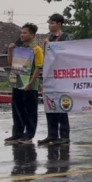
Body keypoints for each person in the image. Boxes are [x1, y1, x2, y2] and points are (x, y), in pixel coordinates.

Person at [5, 23, 45, 146]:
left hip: (30, 84)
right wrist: (10, 50)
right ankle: (17, 133)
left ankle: (28, 134)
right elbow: (11, 62)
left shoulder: (37, 49)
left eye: (24, 33)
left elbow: (39, 67)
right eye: (21, 33)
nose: (21, 35)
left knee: (30, 110)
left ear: (32, 35)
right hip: (18, 82)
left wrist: (31, 83)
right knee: (17, 109)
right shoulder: (20, 48)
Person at [37, 14, 71, 147]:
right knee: (49, 105)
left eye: (52, 23)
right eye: (49, 23)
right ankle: (52, 134)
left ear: (59, 24)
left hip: (61, 75)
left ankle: (64, 135)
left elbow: (66, 53)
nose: (50, 25)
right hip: (49, 75)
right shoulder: (48, 38)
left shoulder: (65, 37)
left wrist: (50, 45)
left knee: (61, 105)